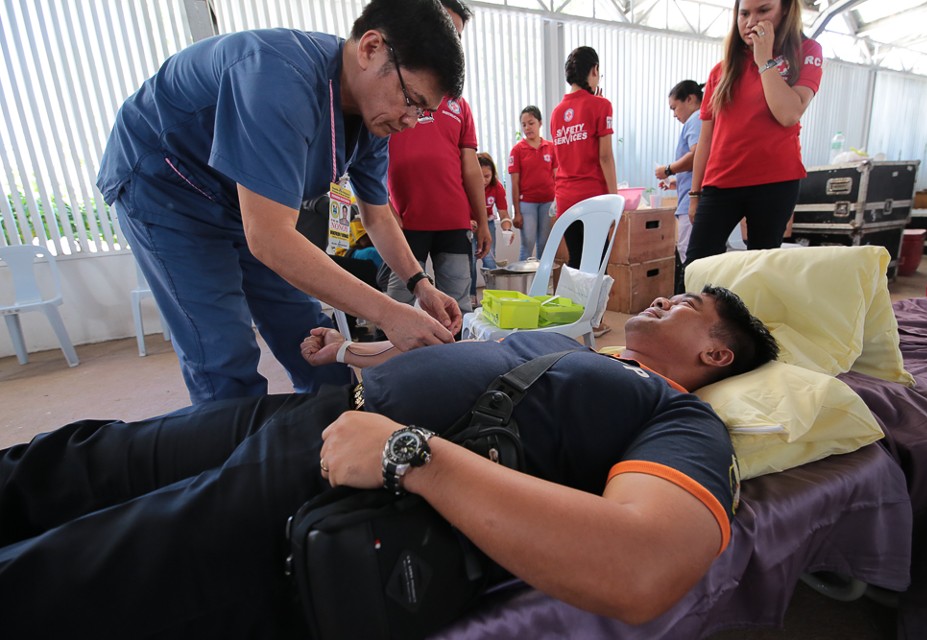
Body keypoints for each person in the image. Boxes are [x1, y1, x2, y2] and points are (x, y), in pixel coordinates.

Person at [0, 286, 779, 637]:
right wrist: (354, 348)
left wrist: (413, 456)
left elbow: (643, 568)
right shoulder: (579, 345)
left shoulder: (678, 418)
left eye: (681, 305)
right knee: (82, 458)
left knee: (84, 565)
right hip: (315, 412)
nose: (656, 299)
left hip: (349, 470)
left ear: (714, 350)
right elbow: (464, 364)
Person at [95, 0, 466, 404]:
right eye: (411, 99)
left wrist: (420, 285)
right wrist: (389, 313)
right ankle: (235, 454)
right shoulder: (277, 78)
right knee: (222, 350)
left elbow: (377, 216)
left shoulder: (375, 117)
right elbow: (269, 238)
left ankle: (334, 438)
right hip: (167, 186)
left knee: (309, 337)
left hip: (247, 203)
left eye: (423, 111)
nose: (411, 120)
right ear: (370, 48)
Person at [684, 0, 823, 266]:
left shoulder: (806, 51)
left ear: (784, 10)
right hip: (720, 183)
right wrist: (695, 195)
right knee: (695, 268)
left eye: (763, 11)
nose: (750, 22)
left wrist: (764, 60)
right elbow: (707, 139)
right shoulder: (721, 71)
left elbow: (788, 113)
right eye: (744, 13)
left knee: (760, 272)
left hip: (774, 183)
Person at [384, 0, 491, 320]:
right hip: (405, 221)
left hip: (454, 222)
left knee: (458, 308)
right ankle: (397, 370)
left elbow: (470, 167)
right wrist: (386, 213)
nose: (449, 40)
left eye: (456, 35)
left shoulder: (459, 104)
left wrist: (483, 220)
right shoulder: (386, 88)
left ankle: (455, 368)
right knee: (399, 306)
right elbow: (366, 164)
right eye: (445, 27)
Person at [550, 46, 618, 271]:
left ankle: (576, 306)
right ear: (595, 70)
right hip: (592, 198)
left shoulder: (557, 112)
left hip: (566, 200)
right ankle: (591, 308)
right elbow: (605, 157)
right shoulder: (602, 105)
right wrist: (615, 200)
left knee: (577, 260)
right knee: (597, 267)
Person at [655, 80, 703, 265]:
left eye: (674, 107)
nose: (674, 114)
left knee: (689, 256)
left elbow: (698, 155)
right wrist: (675, 182)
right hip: (689, 196)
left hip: (692, 201)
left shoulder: (696, 119)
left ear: (690, 99)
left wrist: (668, 170)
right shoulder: (698, 120)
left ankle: (692, 293)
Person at [508, 105, 558, 260]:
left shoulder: (551, 147)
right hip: (527, 204)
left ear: (540, 123)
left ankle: (542, 282)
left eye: (531, 123)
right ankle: (525, 283)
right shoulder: (517, 150)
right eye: (523, 125)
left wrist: (558, 202)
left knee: (544, 244)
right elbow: (514, 184)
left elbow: (557, 177)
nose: (527, 128)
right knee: (527, 244)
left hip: (548, 203)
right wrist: (516, 212)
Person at [477, 152, 511, 271]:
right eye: (479, 176)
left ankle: (492, 289)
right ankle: (470, 290)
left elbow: (503, 214)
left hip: (488, 224)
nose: (483, 181)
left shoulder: (497, 187)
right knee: (469, 263)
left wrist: (507, 230)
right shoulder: (465, 185)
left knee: (490, 261)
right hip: (468, 226)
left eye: (487, 176)